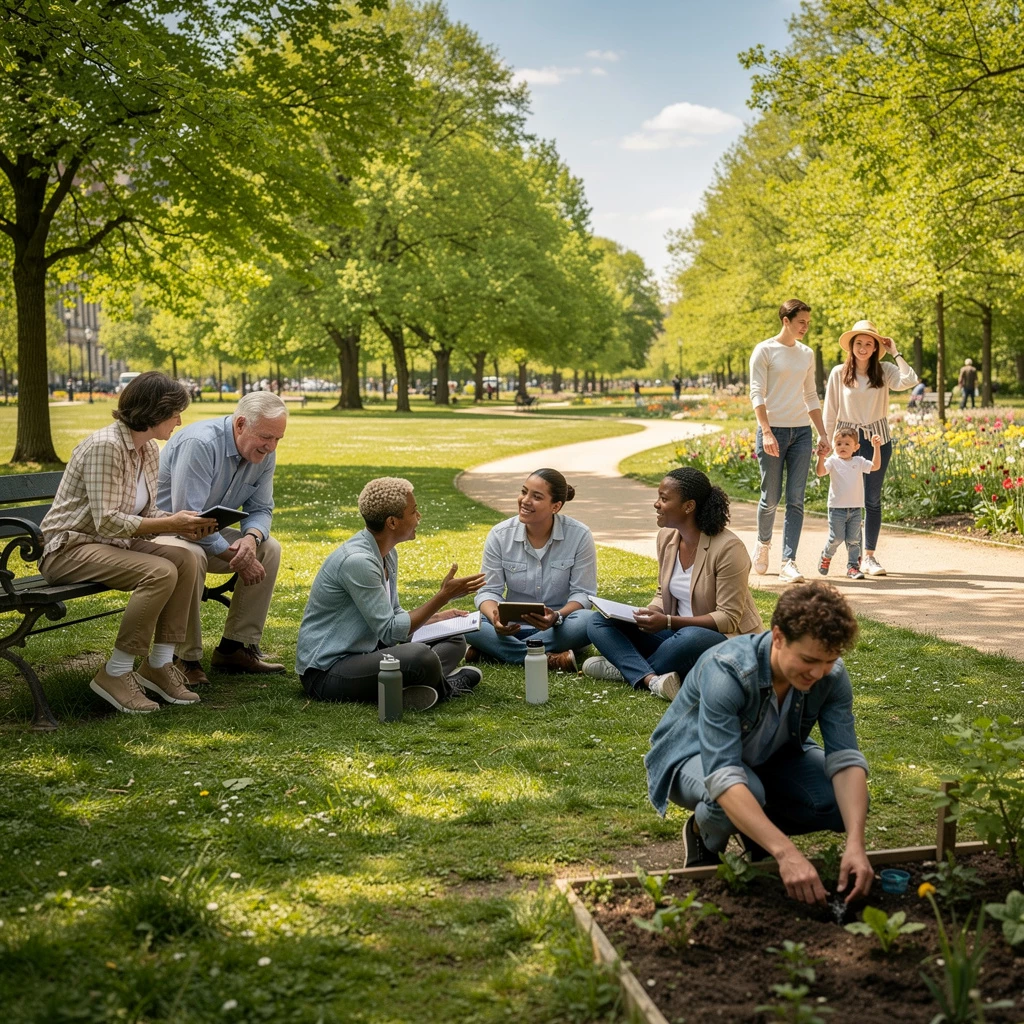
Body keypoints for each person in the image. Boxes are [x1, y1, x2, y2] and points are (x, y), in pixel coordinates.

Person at [645, 582, 873, 906]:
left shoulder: (830, 674)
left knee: (841, 802)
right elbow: (723, 775)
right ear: (778, 637)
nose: (819, 672)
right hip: (690, 756)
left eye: (829, 660)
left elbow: (846, 760)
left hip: (769, 756)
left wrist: (856, 844)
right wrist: (787, 853)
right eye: (809, 659)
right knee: (744, 791)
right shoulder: (728, 671)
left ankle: (758, 832)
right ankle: (702, 833)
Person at [38, 372, 216, 713]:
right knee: (161, 571)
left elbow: (144, 514)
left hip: (111, 545)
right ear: (156, 410)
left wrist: (184, 525)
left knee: (188, 559)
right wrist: (170, 523)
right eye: (176, 412)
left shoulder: (147, 449)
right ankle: (115, 672)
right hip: (69, 548)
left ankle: (159, 664)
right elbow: (107, 519)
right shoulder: (106, 446)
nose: (180, 420)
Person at [296, 477, 486, 709]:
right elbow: (390, 632)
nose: (419, 517)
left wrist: (437, 618)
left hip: (369, 651)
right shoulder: (358, 562)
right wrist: (442, 596)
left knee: (454, 639)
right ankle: (446, 686)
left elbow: (393, 614)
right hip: (328, 671)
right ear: (392, 523)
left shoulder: (386, 552)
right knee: (419, 656)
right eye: (414, 512)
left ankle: (410, 688)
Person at [583, 468, 764, 700]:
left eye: (664, 498)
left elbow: (728, 618)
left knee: (690, 637)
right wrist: (652, 612)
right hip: (674, 635)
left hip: (723, 640)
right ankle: (652, 678)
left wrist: (668, 621)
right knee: (598, 621)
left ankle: (626, 669)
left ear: (689, 506)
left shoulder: (729, 549)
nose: (656, 504)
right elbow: (662, 592)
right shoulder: (667, 537)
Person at [156, 391, 289, 683]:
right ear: (240, 424)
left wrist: (251, 540)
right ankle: (185, 657)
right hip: (164, 534)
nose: (271, 446)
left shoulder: (264, 453)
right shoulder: (200, 443)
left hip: (202, 533)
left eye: (278, 438)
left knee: (269, 548)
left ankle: (234, 647)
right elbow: (188, 520)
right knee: (190, 555)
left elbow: (262, 508)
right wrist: (237, 557)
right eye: (266, 436)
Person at [464, 468, 595, 672]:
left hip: (558, 628)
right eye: (524, 491)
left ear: (556, 506)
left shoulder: (579, 535)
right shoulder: (499, 535)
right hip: (511, 628)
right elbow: (488, 592)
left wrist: (557, 616)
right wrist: (496, 619)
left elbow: (584, 594)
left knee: (588, 621)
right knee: (469, 623)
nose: (525, 500)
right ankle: (549, 658)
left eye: (536, 496)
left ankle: (496, 652)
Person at [823, 319, 919, 577]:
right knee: (848, 500)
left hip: (878, 440)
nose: (863, 348)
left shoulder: (885, 370)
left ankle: (869, 557)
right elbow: (830, 410)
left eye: (869, 343)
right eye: (859, 343)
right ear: (851, 346)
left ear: (876, 347)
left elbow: (911, 379)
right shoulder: (838, 372)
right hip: (846, 442)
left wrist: (895, 350)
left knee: (872, 499)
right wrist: (827, 441)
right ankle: (851, 560)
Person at [749, 299, 831, 584]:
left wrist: (822, 433)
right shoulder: (764, 350)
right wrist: (767, 430)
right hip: (773, 431)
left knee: (796, 500)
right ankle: (763, 543)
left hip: (801, 432)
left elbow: (810, 396)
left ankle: (789, 561)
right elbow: (756, 393)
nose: (806, 327)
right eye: (801, 322)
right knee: (770, 498)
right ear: (786, 320)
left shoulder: (806, 354)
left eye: (808, 323)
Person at [816, 428, 882, 580]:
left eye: (847, 444)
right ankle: (826, 556)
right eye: (839, 443)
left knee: (854, 540)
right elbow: (820, 472)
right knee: (836, 538)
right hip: (836, 509)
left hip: (855, 509)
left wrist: (876, 447)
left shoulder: (859, 462)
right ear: (834, 445)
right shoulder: (832, 461)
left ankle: (853, 567)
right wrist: (821, 457)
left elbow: (875, 467)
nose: (842, 447)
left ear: (856, 447)